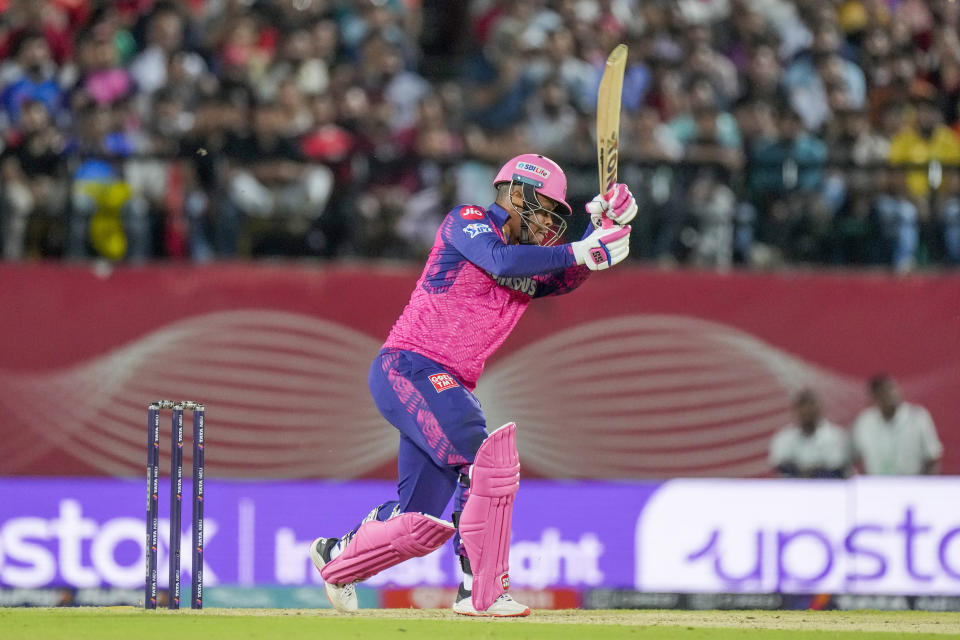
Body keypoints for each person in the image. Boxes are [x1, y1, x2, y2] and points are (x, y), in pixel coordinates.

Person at [307, 154, 637, 617]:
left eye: (556, 217)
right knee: (485, 456)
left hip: (442, 381)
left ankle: (335, 557)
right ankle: (480, 591)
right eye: (543, 209)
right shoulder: (468, 221)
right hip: (410, 366)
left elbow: (560, 277)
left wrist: (598, 227)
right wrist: (582, 249)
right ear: (517, 193)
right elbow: (501, 261)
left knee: (416, 522)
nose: (547, 223)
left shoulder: (532, 255)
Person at [851, 373, 943, 475]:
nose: (891, 394)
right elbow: (851, 457)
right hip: (876, 485)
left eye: (892, 388)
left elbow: (932, 458)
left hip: (912, 485)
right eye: (883, 391)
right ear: (874, 397)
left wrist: (925, 487)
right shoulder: (864, 421)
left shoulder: (918, 417)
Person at [768, 389, 851, 478]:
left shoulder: (836, 436)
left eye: (810, 405)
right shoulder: (783, 437)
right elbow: (780, 465)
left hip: (827, 488)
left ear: (820, 408)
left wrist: (810, 471)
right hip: (793, 489)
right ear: (794, 410)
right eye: (801, 406)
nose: (806, 410)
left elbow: (836, 468)